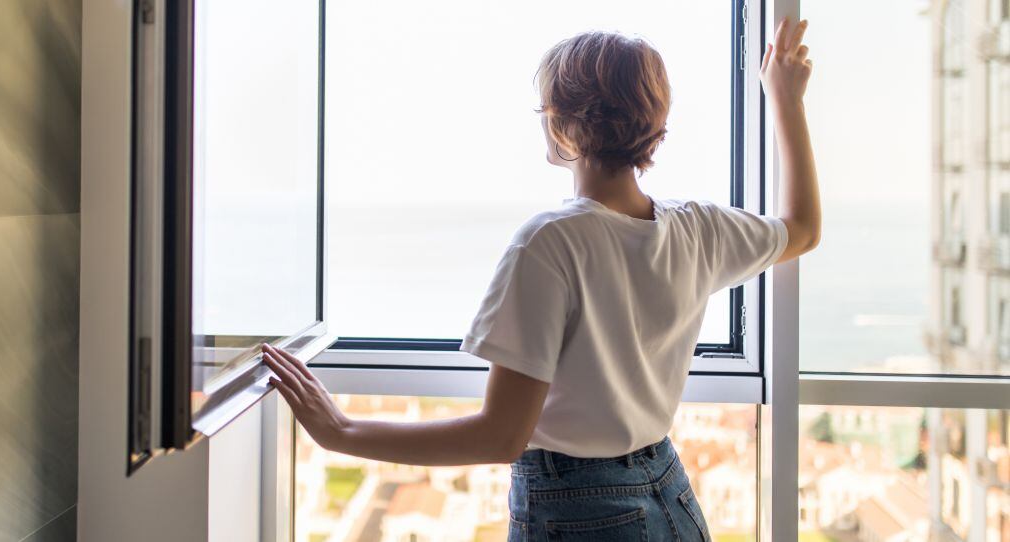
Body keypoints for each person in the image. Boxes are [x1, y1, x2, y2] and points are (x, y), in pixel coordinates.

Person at [262, 17, 818, 541]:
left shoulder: (550, 241)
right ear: (654, 123)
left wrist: (342, 432)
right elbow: (804, 228)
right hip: (670, 493)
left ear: (559, 121)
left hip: (579, 509)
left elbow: (502, 435)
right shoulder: (698, 229)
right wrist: (786, 101)